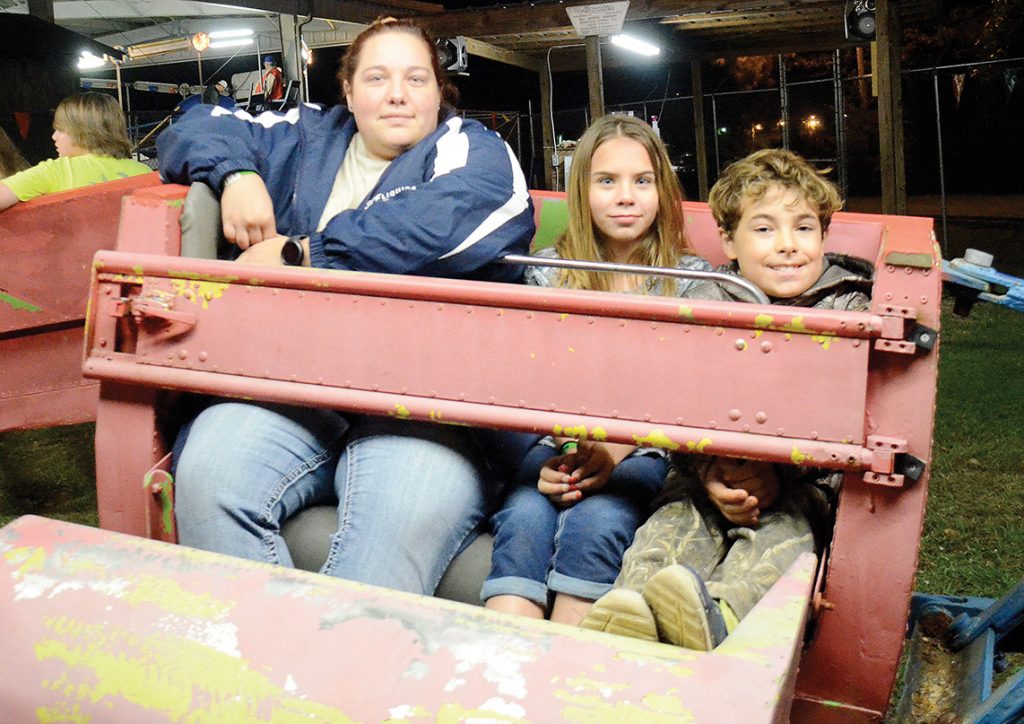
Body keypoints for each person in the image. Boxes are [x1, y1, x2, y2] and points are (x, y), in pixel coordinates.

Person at [156, 17, 535, 595]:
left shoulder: (472, 150)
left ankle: (333, 677)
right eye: (377, 78)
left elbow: (470, 217)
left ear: (440, 93)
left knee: (383, 542)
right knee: (210, 482)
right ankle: (254, 674)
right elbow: (194, 122)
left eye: (416, 78)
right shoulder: (304, 136)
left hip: (424, 407)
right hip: (292, 388)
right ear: (350, 92)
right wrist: (235, 174)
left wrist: (307, 253)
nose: (398, 94)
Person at [581, 148, 873, 650]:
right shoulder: (705, 303)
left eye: (803, 229)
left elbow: (840, 413)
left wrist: (777, 475)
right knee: (669, 527)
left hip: (802, 482)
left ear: (824, 235)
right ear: (728, 241)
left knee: (782, 539)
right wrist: (707, 470)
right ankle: (631, 617)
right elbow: (675, 403)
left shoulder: (848, 305)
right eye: (764, 230)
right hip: (703, 473)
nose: (787, 246)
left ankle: (722, 621)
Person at [482, 115, 713, 625]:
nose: (625, 196)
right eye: (607, 181)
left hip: (649, 447)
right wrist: (555, 456)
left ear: (663, 191)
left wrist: (616, 447)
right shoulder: (544, 272)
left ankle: (573, 664)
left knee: (601, 518)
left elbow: (688, 389)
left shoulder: (692, 281)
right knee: (522, 517)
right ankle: (506, 660)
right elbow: (523, 381)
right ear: (581, 191)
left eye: (642, 181)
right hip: (549, 442)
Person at [0, 92, 150, 211]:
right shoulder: (144, 172)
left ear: (82, 132)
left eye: (60, 130)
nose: (54, 136)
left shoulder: (57, 171)